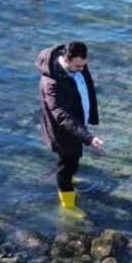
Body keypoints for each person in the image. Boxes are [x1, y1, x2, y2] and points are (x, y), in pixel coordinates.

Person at [36, 41, 105, 219]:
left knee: (72, 162)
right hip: (63, 131)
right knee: (66, 167)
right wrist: (88, 138)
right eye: (78, 66)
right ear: (66, 60)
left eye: (84, 65)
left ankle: (70, 180)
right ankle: (68, 206)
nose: (82, 69)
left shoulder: (77, 65)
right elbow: (62, 116)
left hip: (77, 125)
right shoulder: (51, 82)